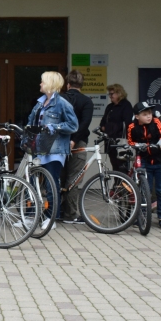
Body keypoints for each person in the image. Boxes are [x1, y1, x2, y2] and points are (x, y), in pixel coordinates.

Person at [26, 71, 79, 224]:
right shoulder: (39, 103)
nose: (40, 84)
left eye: (42, 81)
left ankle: (51, 218)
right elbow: (31, 122)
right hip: (38, 148)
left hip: (54, 150)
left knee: (51, 184)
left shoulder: (62, 103)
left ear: (50, 84)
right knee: (31, 182)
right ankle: (30, 215)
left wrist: (54, 127)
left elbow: (73, 125)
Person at [127, 102, 161, 230]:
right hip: (145, 160)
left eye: (150, 113)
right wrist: (137, 145)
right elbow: (130, 141)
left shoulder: (156, 122)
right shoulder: (132, 127)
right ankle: (143, 216)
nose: (149, 116)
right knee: (144, 190)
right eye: (145, 114)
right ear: (137, 116)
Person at [60, 69, 93, 222]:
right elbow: (85, 123)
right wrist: (74, 140)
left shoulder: (60, 99)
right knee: (74, 178)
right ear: (81, 85)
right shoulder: (86, 101)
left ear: (68, 84)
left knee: (60, 177)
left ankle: (58, 211)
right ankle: (71, 214)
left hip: (60, 142)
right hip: (78, 143)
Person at [100, 83, 133, 172]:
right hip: (110, 141)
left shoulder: (126, 105)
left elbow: (127, 123)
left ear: (119, 93)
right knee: (114, 166)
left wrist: (109, 127)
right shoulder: (109, 107)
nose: (110, 96)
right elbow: (102, 122)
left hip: (121, 141)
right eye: (109, 94)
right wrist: (105, 127)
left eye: (112, 94)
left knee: (122, 166)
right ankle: (116, 181)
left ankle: (123, 181)